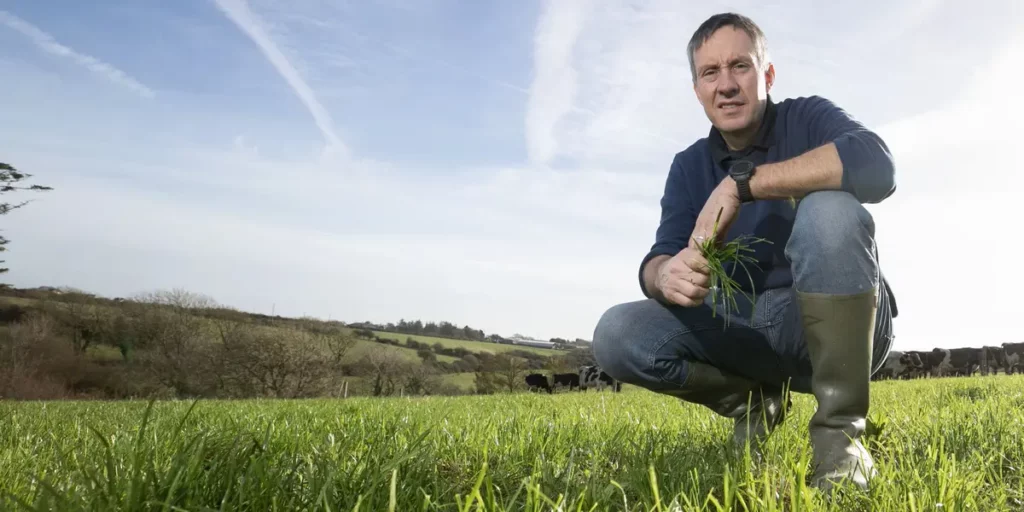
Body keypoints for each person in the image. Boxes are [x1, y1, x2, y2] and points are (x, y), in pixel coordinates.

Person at [591, 12, 898, 493]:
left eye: (740, 66)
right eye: (710, 73)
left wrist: (744, 185)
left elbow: (877, 165)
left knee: (831, 210)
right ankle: (752, 403)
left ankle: (842, 440)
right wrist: (664, 273)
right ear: (697, 89)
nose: (726, 85)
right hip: (742, 329)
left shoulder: (807, 118)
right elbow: (659, 256)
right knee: (615, 332)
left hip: (832, 327)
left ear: (767, 75)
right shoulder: (688, 165)